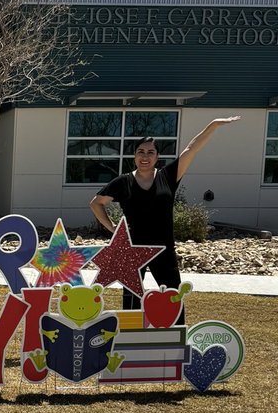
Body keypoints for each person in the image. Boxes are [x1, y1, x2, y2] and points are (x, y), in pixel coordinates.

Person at [90, 117, 240, 311]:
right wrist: (114, 230)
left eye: (150, 152)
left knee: (173, 295)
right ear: (134, 156)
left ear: (157, 157)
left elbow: (191, 150)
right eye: (140, 152)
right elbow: (96, 203)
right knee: (132, 299)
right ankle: (131, 337)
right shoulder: (122, 182)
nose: (145, 156)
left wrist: (212, 126)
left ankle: (175, 338)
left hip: (164, 248)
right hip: (132, 249)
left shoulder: (167, 177)